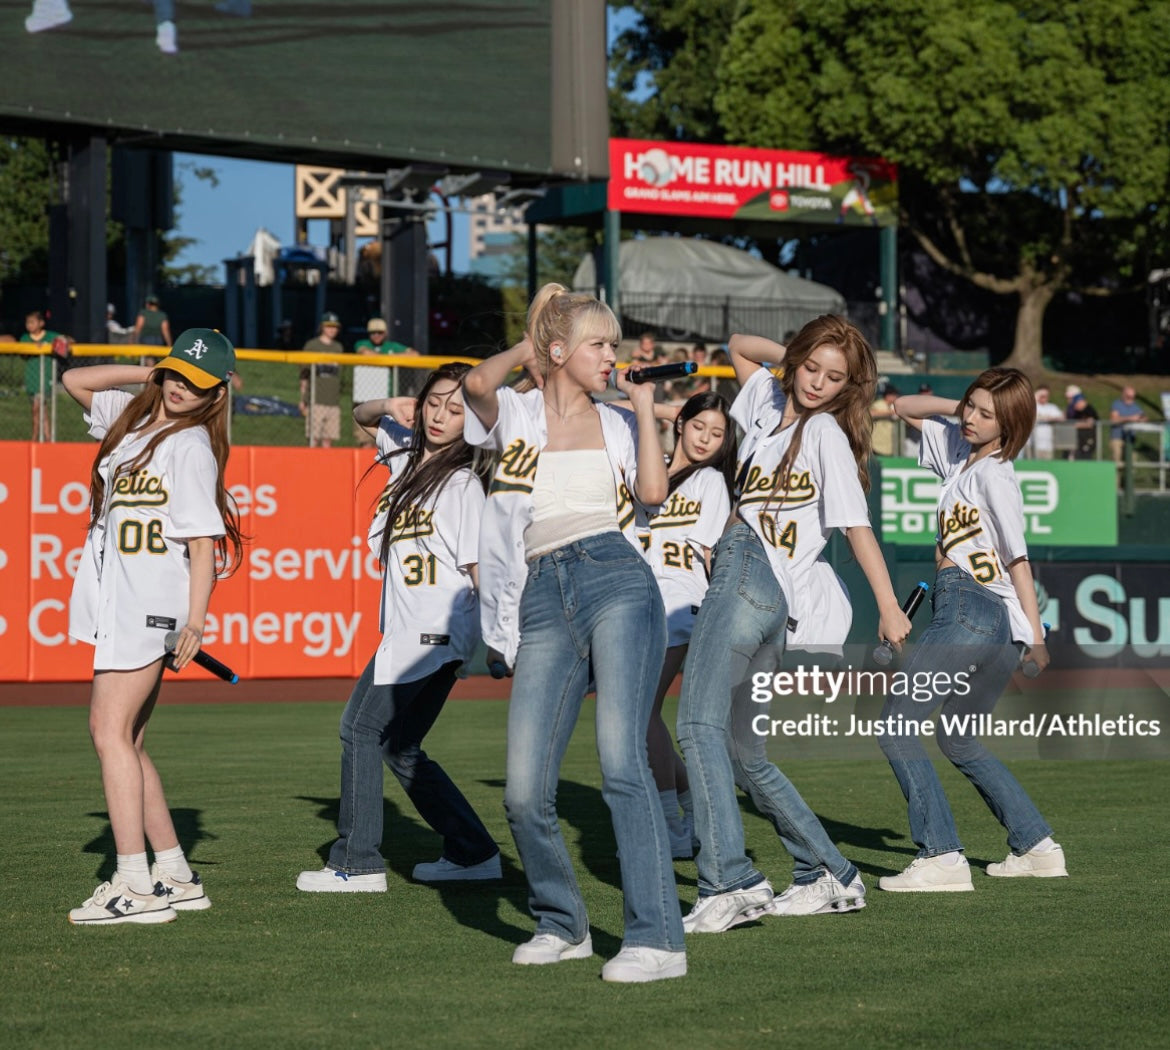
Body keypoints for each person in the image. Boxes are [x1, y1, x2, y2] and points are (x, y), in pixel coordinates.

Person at [462, 283, 686, 984]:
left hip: (616, 577)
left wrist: (647, 408)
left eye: (615, 345)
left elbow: (652, 496)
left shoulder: (619, 421)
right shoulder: (519, 412)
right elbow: (474, 382)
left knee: (622, 762)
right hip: (540, 592)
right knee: (524, 790)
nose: (613, 356)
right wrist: (534, 342)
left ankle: (658, 940)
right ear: (558, 351)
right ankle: (563, 923)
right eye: (600, 344)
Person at [676, 318, 912, 933]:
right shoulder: (765, 404)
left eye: (836, 378)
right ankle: (828, 873)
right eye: (812, 368)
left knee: (697, 728)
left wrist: (888, 607)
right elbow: (737, 347)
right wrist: (799, 359)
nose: (819, 383)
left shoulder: (826, 432)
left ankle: (727, 880)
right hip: (763, 594)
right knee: (743, 751)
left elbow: (857, 528)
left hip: (752, 578)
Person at [61, 329, 243, 924]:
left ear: (215, 393)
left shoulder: (189, 445)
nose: (181, 388)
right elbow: (74, 380)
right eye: (175, 375)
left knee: (106, 733)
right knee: (129, 743)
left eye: (197, 382)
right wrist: (148, 370)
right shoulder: (135, 423)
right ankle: (175, 874)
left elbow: (201, 544)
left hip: (147, 605)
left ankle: (133, 884)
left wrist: (196, 619)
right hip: (125, 602)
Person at [297, 363, 501, 893]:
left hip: (428, 635)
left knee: (359, 730)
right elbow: (359, 416)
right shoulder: (405, 456)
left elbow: (480, 570)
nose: (439, 415)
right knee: (399, 746)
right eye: (433, 402)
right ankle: (472, 851)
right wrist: (391, 405)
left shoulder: (460, 483)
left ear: (472, 423)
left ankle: (356, 861)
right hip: (419, 636)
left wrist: (499, 640)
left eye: (456, 410)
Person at [879, 369, 1066, 891]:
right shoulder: (961, 456)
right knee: (958, 737)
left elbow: (1018, 558)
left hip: (969, 605)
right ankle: (1036, 846)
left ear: (1010, 424)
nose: (970, 417)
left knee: (897, 725)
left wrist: (1039, 636)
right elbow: (904, 407)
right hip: (996, 624)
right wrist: (963, 406)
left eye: (987, 414)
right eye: (971, 407)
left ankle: (941, 856)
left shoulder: (995, 473)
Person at [637, 392, 736, 859]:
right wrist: (652, 406)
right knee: (642, 716)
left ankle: (669, 824)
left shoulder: (712, 480)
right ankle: (689, 801)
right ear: (681, 423)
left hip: (682, 606)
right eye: (699, 427)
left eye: (717, 434)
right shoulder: (650, 467)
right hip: (640, 605)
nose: (707, 439)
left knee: (640, 714)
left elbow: (711, 555)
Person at [351, 317, 418, 447]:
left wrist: (389, 357)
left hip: (383, 400)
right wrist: (389, 359)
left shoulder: (391, 346)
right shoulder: (362, 343)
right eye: (373, 332)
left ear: (385, 333)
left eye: (379, 332)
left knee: (383, 440)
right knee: (365, 440)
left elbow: (414, 355)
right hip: (364, 399)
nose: (376, 335)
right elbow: (364, 353)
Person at [19, 309, 68, 441]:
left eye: (32, 322)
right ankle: (47, 437)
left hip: (45, 378)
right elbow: (22, 354)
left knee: (38, 408)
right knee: (42, 411)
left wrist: (59, 344)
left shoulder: (50, 336)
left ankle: (35, 437)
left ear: (41, 323)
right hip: (32, 379)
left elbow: (67, 340)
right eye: (27, 322)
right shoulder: (25, 338)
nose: (29, 325)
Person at [300, 312, 344, 448]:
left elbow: (340, 376)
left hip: (333, 401)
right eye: (328, 326)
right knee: (313, 439)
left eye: (335, 327)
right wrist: (303, 398)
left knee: (328, 440)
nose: (332, 329)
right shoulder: (312, 346)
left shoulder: (338, 348)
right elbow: (304, 375)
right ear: (322, 327)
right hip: (316, 400)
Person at [1109, 386, 1148, 465]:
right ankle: (1116, 477)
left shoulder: (1136, 406)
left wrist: (1141, 419)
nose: (1131, 399)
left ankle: (1128, 477)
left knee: (1132, 461)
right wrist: (1130, 418)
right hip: (1117, 438)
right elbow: (1113, 420)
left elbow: (1144, 417)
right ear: (1123, 395)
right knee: (1117, 461)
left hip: (1130, 439)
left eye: (1133, 397)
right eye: (1128, 396)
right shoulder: (1116, 404)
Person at [1030, 384, 1065, 459]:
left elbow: (1061, 417)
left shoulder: (1052, 407)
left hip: (1048, 444)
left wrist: (1047, 418)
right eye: (1042, 395)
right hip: (1035, 444)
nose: (1044, 398)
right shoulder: (1033, 406)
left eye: (1046, 395)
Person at [869, 384, 900, 456]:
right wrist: (891, 413)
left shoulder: (892, 406)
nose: (896, 397)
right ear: (888, 395)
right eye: (895, 395)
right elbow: (871, 414)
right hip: (876, 446)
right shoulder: (879, 404)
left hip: (889, 448)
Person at [904, 383, 933, 457]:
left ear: (930, 392)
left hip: (928, 441)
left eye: (926, 391)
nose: (924, 394)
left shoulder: (935, 406)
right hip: (912, 441)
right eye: (922, 392)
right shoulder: (912, 405)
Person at [1067, 392, 1099, 460]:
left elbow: (1090, 423)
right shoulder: (1077, 412)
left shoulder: (1089, 409)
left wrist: (1077, 425)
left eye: (1076, 404)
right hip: (1079, 441)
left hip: (1089, 439)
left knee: (1086, 457)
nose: (1075, 406)